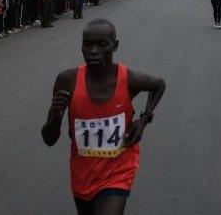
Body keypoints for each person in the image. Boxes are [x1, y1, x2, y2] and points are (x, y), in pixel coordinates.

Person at [41, 19, 165, 215]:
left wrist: (143, 120)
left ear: (115, 46)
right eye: (88, 44)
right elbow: (49, 138)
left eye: (102, 44)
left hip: (118, 172)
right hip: (83, 175)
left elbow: (159, 85)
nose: (93, 51)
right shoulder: (67, 80)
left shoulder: (128, 79)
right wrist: (55, 116)